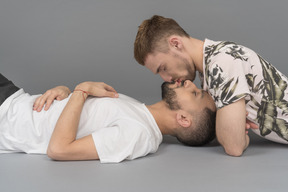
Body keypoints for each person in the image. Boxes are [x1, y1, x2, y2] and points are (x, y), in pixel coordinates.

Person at [134, 15, 288, 157]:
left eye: (163, 67)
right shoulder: (209, 70)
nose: (166, 78)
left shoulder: (222, 63)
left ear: (175, 44)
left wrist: (242, 138)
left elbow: (233, 147)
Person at [0, 73, 216, 163]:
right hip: (14, 99)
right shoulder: (139, 111)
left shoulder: (139, 134)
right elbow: (78, 114)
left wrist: (81, 90)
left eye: (195, 94)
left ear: (183, 119)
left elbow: (59, 149)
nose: (189, 83)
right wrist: (66, 92)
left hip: (5, 118)